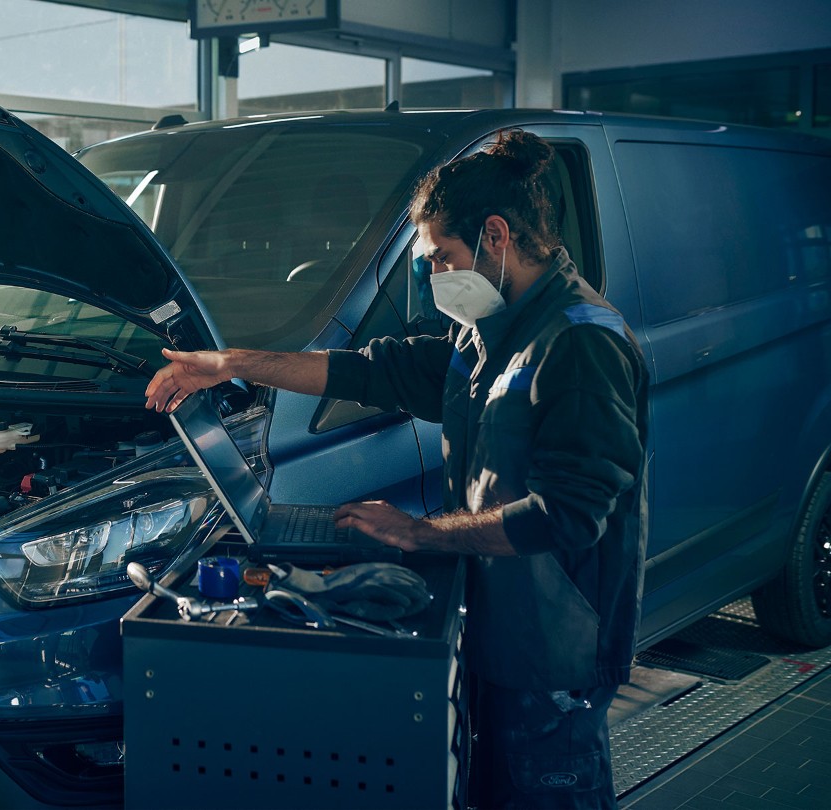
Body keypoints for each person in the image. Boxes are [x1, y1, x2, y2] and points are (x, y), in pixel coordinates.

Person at [146, 131, 649, 809]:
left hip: (553, 651)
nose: (436, 276)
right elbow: (367, 369)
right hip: (503, 631)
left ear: (496, 236)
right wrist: (229, 364)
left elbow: (567, 515)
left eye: (442, 257)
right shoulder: (488, 333)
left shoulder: (580, 344)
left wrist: (423, 534)